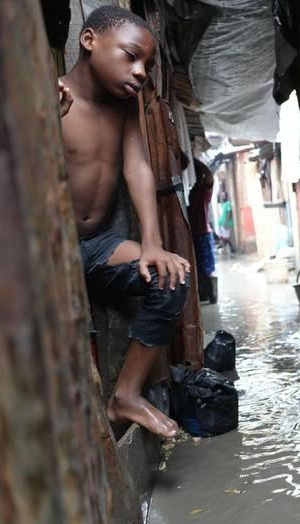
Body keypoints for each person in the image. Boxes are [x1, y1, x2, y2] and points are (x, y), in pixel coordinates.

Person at [58, 5, 190, 438]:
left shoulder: (125, 107)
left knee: (170, 279)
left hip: (97, 244)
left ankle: (125, 396)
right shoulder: (52, 98)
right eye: (131, 56)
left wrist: (152, 243)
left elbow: (137, 168)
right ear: (89, 40)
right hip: (45, 255)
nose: (140, 72)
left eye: (147, 64)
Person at [188, 159, 217, 303]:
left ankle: (211, 296)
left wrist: (194, 159)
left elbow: (209, 175)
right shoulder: (193, 191)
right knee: (198, 267)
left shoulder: (205, 190)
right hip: (195, 233)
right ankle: (205, 294)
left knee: (205, 268)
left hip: (203, 233)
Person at [216, 190, 235, 255]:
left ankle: (231, 248)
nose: (222, 197)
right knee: (223, 237)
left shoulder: (228, 203)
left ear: (226, 196)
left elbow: (229, 213)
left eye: (224, 195)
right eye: (221, 195)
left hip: (226, 224)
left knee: (226, 237)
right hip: (221, 224)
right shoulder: (221, 204)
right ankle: (225, 249)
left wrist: (226, 222)